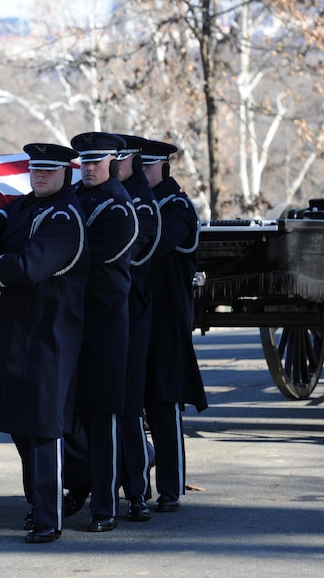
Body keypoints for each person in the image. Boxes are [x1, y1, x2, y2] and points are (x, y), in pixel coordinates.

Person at [0, 142, 89, 544]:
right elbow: (6, 212)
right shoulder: (27, 206)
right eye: (35, 170)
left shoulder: (65, 217)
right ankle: (66, 487)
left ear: (66, 173)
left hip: (51, 336)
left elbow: (28, 267)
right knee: (18, 422)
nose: (40, 176)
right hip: (18, 332)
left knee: (43, 426)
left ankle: (49, 516)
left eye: (48, 171)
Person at [66, 132, 138, 532]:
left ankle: (106, 505)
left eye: (95, 161)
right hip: (71, 324)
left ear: (113, 162)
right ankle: (80, 482)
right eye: (84, 161)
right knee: (69, 414)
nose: (88, 167)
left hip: (105, 326)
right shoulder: (75, 197)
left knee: (102, 417)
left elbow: (80, 254)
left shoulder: (120, 208)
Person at [141, 139, 208, 513]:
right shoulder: (141, 203)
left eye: (147, 168)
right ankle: (136, 482)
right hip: (136, 317)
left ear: (163, 168)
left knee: (164, 403)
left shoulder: (177, 207)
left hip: (166, 320)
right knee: (130, 402)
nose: (141, 175)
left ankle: (170, 484)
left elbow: (152, 242)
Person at [116, 134, 161, 522]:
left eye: (120, 157)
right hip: (96, 314)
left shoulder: (141, 202)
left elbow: (130, 252)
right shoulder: (93, 192)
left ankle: (136, 489)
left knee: (127, 405)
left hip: (129, 313)